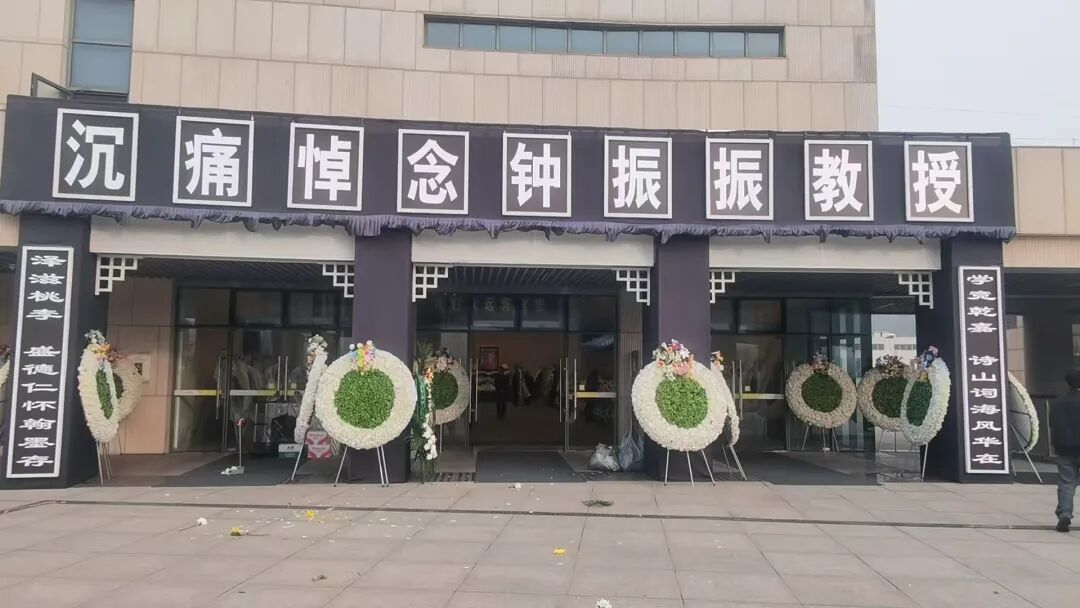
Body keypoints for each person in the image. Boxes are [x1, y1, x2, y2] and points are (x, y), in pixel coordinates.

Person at [1049, 369, 1080, 532]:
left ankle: (1064, 515)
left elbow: (1052, 426)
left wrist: (1054, 447)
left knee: (1066, 482)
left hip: (1064, 448)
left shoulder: (1057, 402)